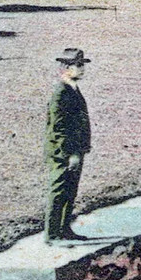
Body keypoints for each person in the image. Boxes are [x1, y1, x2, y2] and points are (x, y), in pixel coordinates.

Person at [44, 48, 92, 243]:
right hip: (63, 153)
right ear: (65, 68)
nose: (82, 69)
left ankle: (64, 229)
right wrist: (70, 153)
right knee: (59, 191)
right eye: (77, 65)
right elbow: (59, 129)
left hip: (75, 150)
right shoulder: (61, 93)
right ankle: (52, 234)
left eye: (82, 65)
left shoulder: (72, 89)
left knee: (70, 191)